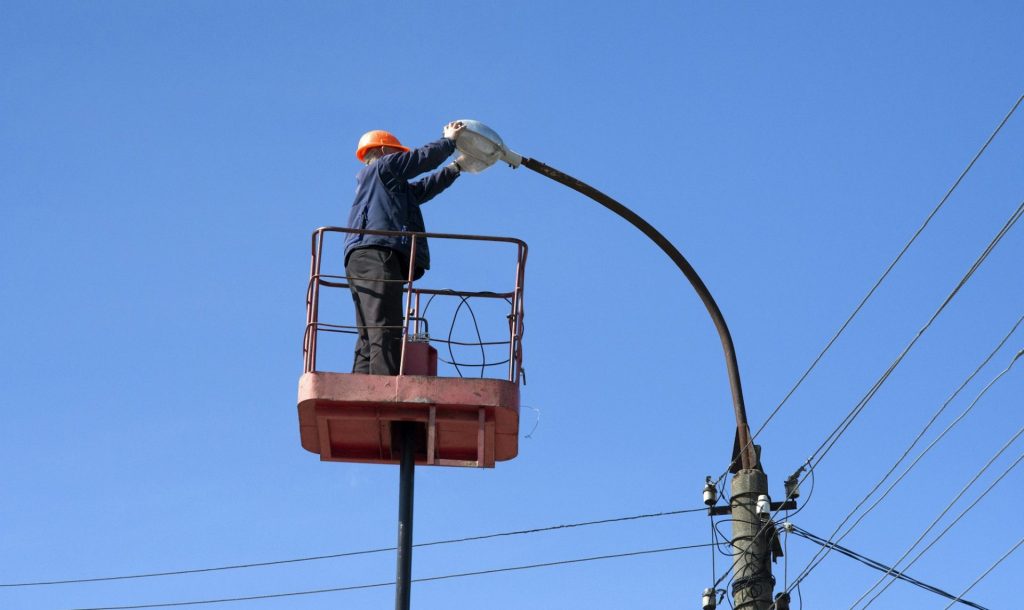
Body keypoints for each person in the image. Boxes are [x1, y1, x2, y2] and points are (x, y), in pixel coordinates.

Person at [344, 121, 465, 375]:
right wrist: (449, 141)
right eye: (398, 153)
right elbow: (421, 159)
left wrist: (456, 168)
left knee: (370, 331)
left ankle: (362, 383)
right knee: (386, 327)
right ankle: (385, 387)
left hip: (366, 255)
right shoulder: (384, 167)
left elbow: (422, 190)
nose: (401, 157)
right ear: (384, 151)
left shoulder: (384, 185)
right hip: (377, 253)